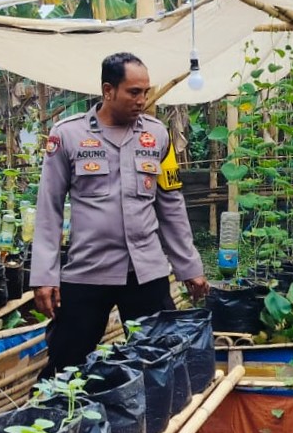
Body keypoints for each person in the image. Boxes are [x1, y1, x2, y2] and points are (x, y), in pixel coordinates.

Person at [30, 52, 209, 373]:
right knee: (66, 365)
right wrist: (44, 276)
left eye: (145, 92)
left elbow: (171, 205)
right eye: (134, 92)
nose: (142, 100)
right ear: (108, 90)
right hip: (89, 271)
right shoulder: (68, 135)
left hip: (147, 272)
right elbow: (49, 208)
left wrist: (189, 266)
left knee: (161, 363)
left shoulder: (157, 136)